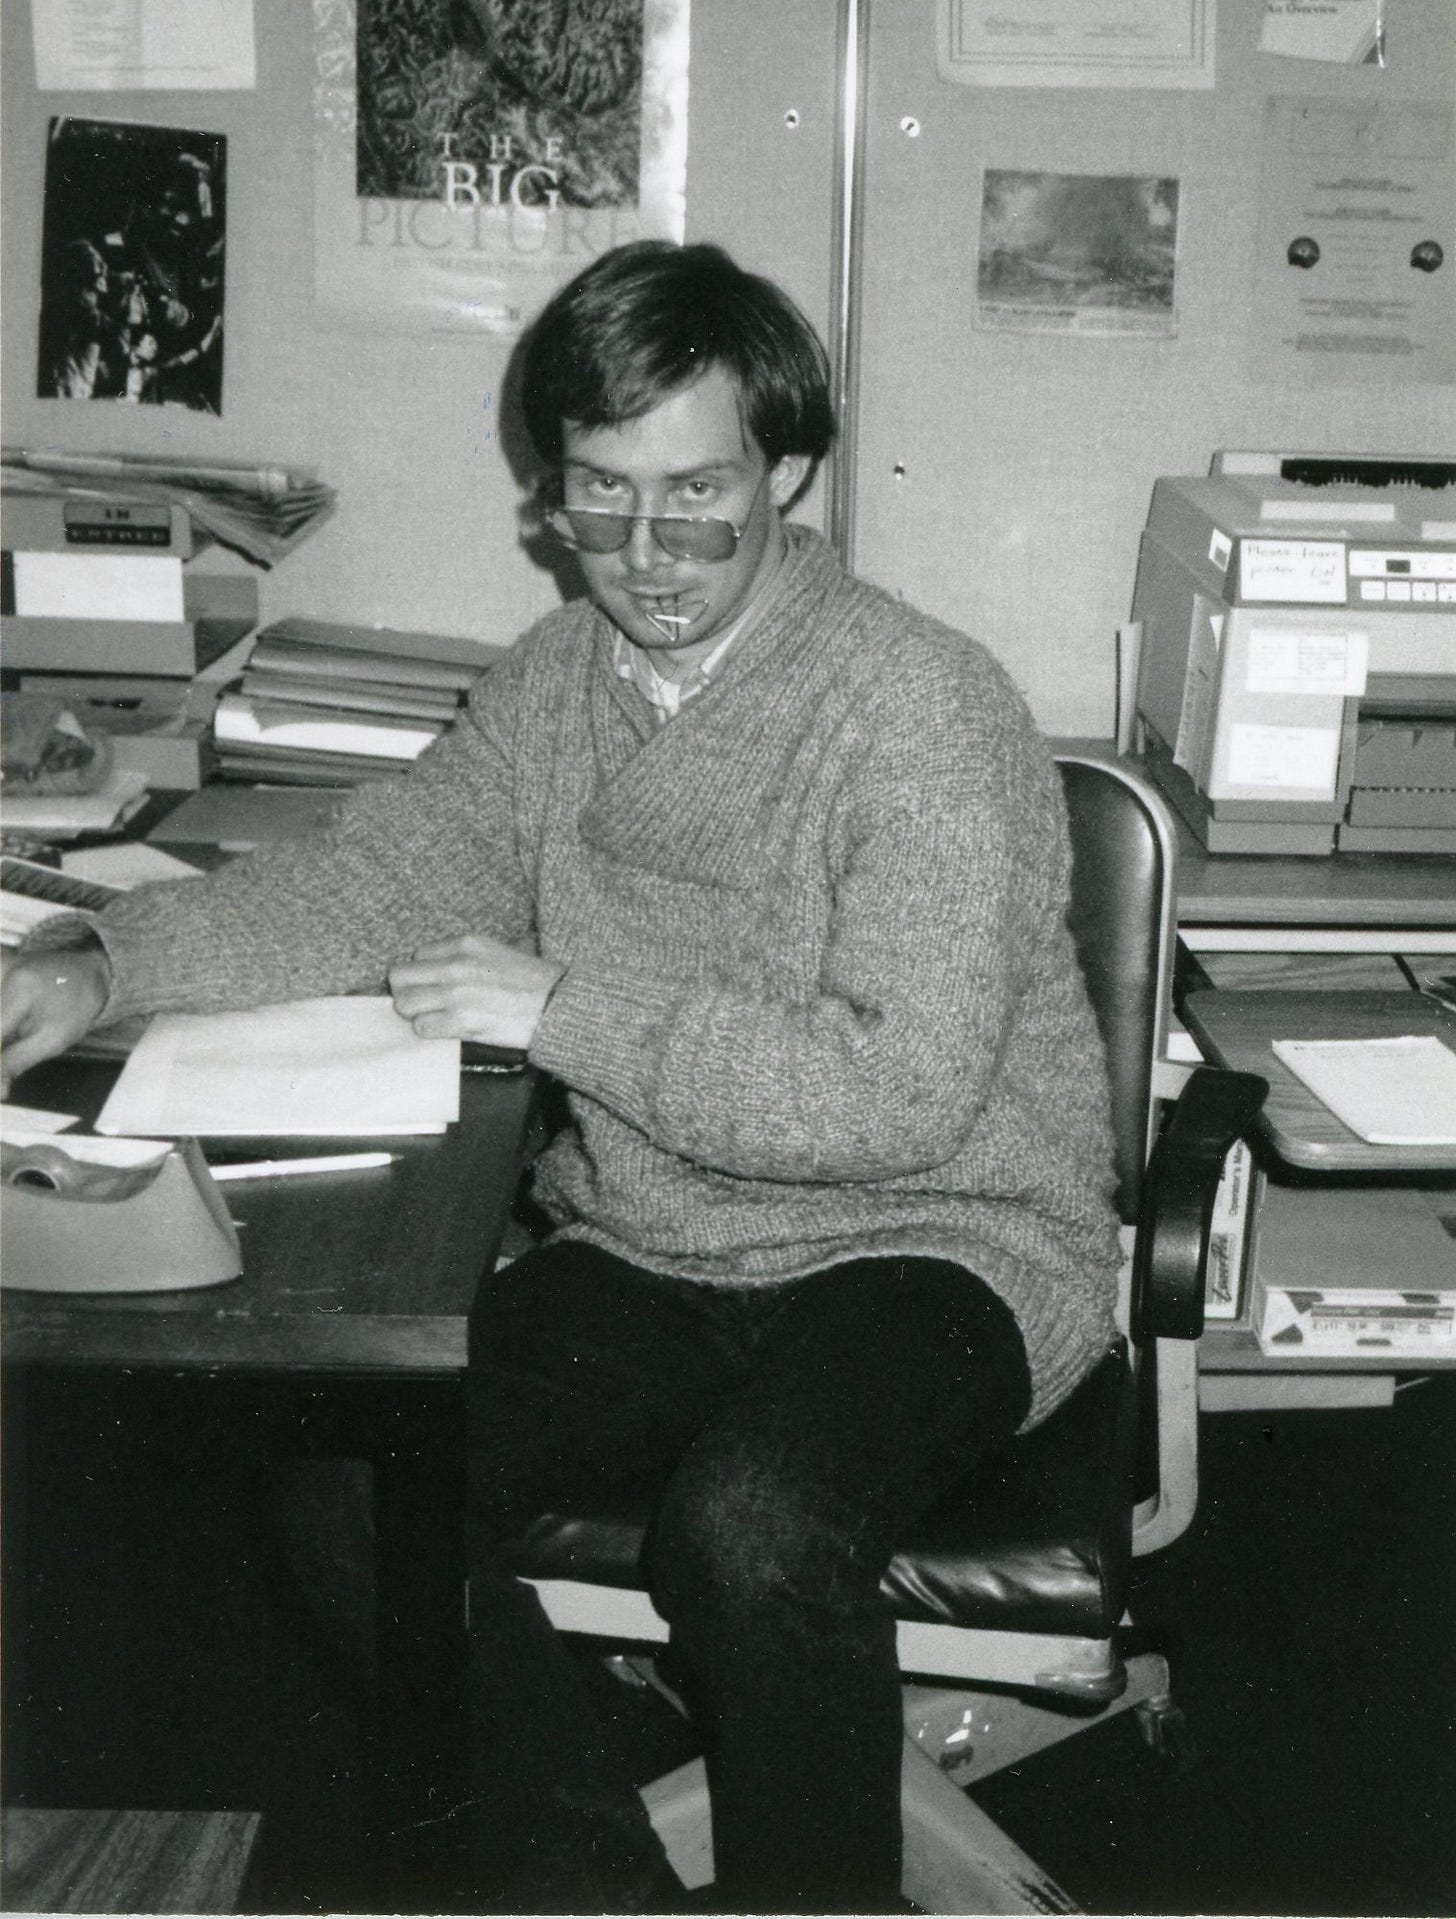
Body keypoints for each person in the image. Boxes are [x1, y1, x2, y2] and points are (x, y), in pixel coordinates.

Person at [1, 241, 1120, 1916]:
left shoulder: (920, 707)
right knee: (342, 1481)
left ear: (789, 473)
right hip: (661, 1241)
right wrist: (102, 963)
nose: (646, 554)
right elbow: (376, 881)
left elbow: (894, 1102)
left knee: (752, 1532)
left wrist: (564, 1009)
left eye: (697, 496)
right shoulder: (555, 686)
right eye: (598, 497)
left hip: (943, 1238)